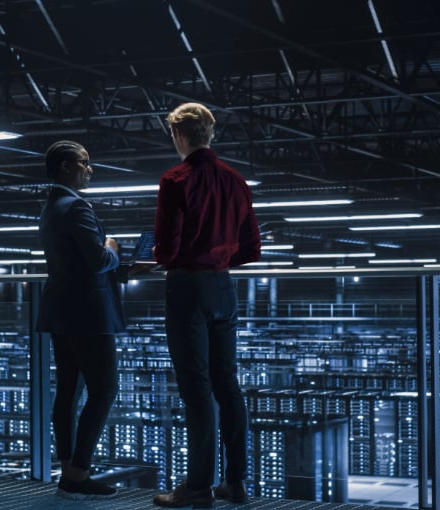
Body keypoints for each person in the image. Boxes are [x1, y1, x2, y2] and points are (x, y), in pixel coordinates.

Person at [152, 103, 261, 507]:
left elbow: (167, 249)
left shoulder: (175, 180)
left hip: (187, 290)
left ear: (178, 135)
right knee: (227, 385)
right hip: (223, 289)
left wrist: (176, 258)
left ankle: (197, 487)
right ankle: (235, 482)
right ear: (210, 134)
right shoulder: (236, 180)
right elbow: (252, 248)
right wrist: (218, 258)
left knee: (196, 389)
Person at [37, 140, 123, 500]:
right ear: (66, 167)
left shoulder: (51, 206)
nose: (90, 170)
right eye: (84, 163)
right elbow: (98, 260)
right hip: (88, 313)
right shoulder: (76, 207)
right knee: (104, 390)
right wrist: (114, 248)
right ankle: (78, 473)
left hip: (60, 310)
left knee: (69, 391)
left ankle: (69, 468)